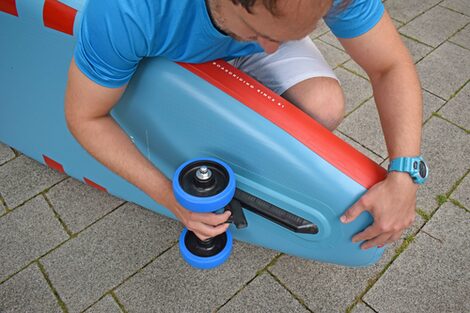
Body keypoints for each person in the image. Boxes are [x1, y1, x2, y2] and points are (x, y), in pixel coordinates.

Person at [65, 0, 424, 250]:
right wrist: (171, 196)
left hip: (236, 25)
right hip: (161, 44)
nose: (270, 49)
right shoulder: (125, 10)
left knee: (322, 106)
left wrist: (404, 174)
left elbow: (390, 65)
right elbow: (85, 117)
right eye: (258, 32)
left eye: (290, 33)